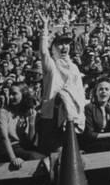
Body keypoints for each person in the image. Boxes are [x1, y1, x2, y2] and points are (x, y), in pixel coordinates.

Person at [36, 13, 86, 154]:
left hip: (71, 117)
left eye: (67, 44)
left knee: (71, 155)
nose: (64, 47)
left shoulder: (74, 67)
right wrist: (45, 28)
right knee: (56, 154)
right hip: (52, 115)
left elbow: (80, 92)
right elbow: (43, 52)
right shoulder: (51, 65)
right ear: (54, 47)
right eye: (60, 44)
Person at [0, 84, 44, 168]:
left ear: (23, 95)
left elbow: (30, 141)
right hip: (9, 149)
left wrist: (32, 123)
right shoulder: (3, 112)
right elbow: (4, 137)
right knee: (36, 157)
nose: (10, 97)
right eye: (10, 94)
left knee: (45, 157)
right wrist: (13, 158)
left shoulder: (24, 112)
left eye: (14, 94)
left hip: (22, 148)